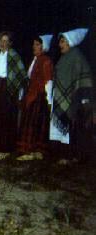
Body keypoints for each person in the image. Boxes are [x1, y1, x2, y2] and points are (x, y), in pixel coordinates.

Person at [49, 28, 93, 164]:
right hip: (65, 98)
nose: (60, 45)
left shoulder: (77, 57)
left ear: (70, 42)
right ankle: (67, 155)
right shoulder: (65, 57)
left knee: (76, 129)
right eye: (60, 42)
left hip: (77, 99)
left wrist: (83, 100)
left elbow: (84, 80)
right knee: (68, 129)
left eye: (63, 42)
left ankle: (74, 157)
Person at [0, 31, 27, 160]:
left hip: (9, 88)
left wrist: (19, 94)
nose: (3, 43)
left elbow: (21, 75)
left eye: (6, 41)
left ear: (10, 43)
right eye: (1, 40)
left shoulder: (13, 55)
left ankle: (6, 149)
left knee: (7, 118)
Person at [17, 35, 54, 161]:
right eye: (34, 44)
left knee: (34, 123)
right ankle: (33, 151)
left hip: (39, 97)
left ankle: (33, 151)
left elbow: (48, 81)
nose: (34, 47)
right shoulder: (35, 60)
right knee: (31, 123)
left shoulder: (45, 61)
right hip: (32, 96)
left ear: (44, 47)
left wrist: (49, 100)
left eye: (37, 44)